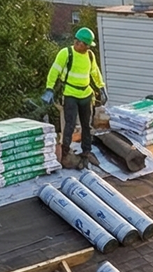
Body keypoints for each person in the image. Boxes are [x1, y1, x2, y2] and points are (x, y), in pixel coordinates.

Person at [42, 28, 106, 170]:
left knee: (87, 125)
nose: (88, 48)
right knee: (69, 125)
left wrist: (101, 87)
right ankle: (65, 152)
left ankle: (86, 151)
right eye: (86, 45)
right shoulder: (66, 54)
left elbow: (95, 72)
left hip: (86, 95)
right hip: (70, 94)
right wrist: (49, 88)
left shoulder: (89, 55)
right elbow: (54, 71)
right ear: (78, 43)